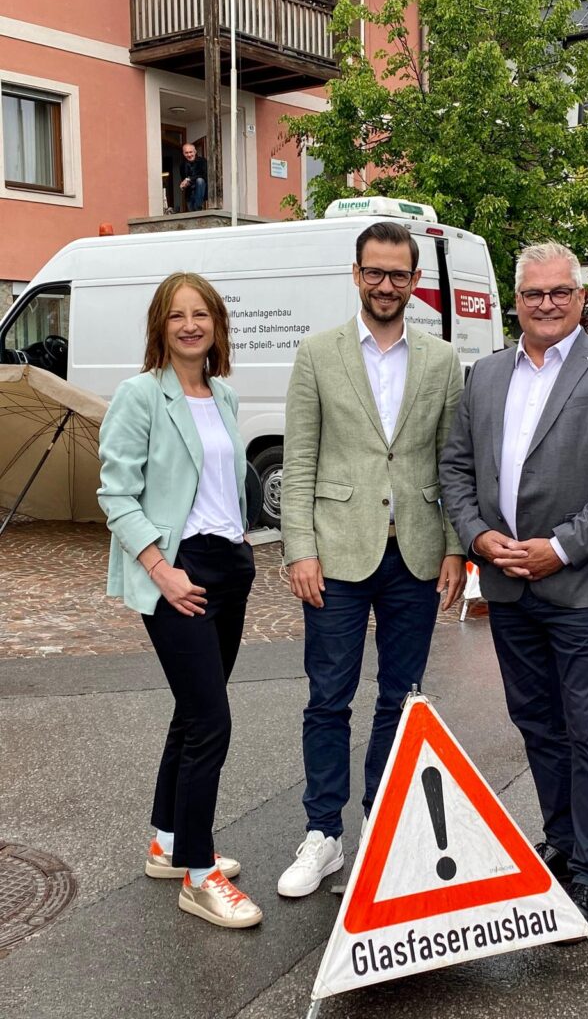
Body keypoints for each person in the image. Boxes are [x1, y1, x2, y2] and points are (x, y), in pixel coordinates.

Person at [439, 242, 588, 937]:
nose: (547, 303)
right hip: (505, 584)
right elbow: (455, 469)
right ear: (516, 300)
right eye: (534, 293)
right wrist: (477, 537)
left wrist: (559, 547)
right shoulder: (485, 375)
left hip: (583, 583)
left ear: (581, 295)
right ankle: (561, 842)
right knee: (537, 724)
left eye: (560, 291)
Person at [277, 221, 466, 897]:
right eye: (374, 273)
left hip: (414, 553)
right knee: (328, 698)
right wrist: (299, 548)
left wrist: (453, 548)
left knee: (401, 697)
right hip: (334, 554)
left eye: (399, 275)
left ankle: (382, 829)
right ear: (356, 274)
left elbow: (452, 465)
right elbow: (298, 462)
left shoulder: (441, 360)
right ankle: (322, 836)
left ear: (415, 282)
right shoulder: (317, 353)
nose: (386, 285)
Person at [97, 272, 262, 928]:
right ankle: (199, 875)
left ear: (216, 325)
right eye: (177, 316)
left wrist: (243, 546)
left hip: (229, 565)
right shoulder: (140, 396)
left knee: (194, 716)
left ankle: (169, 841)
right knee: (212, 724)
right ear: (160, 327)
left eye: (202, 314)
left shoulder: (221, 395)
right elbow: (116, 495)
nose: (190, 325)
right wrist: (161, 569)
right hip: (179, 572)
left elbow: (222, 481)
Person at [180, 144, 207, 212]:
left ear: (195, 152)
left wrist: (189, 179)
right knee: (192, 216)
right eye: (186, 153)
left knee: (200, 180)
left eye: (190, 152)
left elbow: (204, 176)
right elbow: (184, 179)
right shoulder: (182, 165)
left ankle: (198, 207)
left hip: (200, 192)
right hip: (190, 193)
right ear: (183, 153)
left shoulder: (202, 161)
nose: (189, 155)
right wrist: (184, 185)